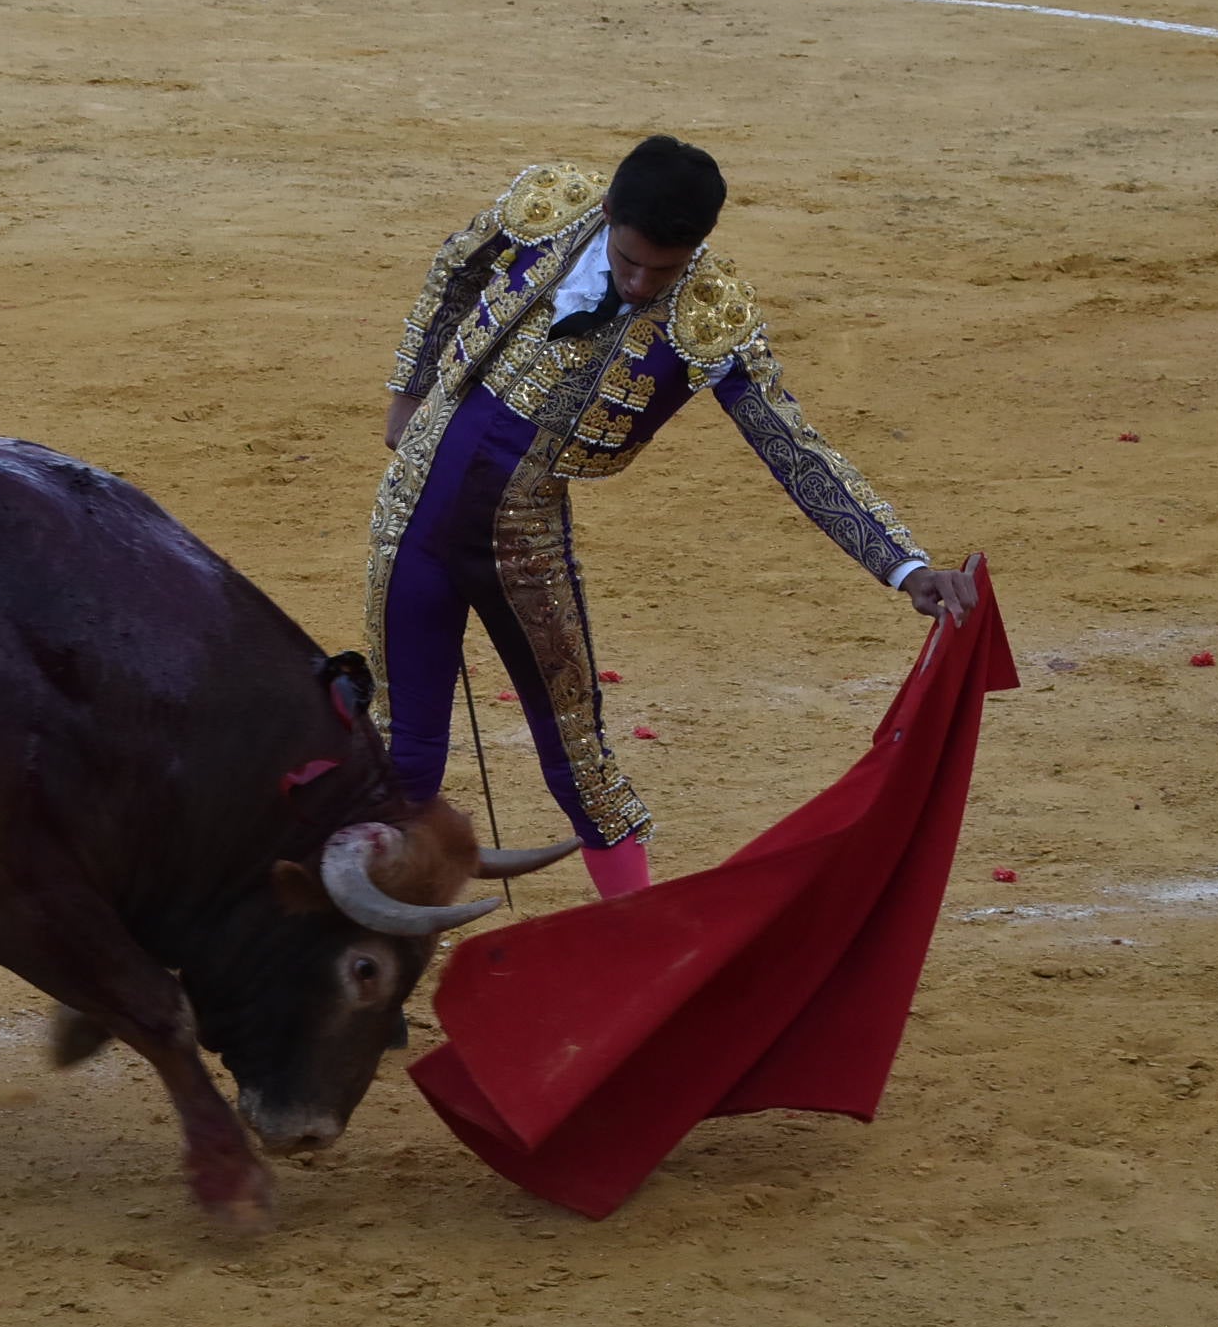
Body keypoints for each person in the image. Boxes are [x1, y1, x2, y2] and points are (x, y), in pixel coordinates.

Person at [365, 137, 978, 900]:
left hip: (518, 545)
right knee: (404, 753)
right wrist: (409, 389)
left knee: (580, 762)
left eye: (664, 271)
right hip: (411, 511)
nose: (639, 282)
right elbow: (456, 266)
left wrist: (904, 564)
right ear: (607, 213)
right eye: (628, 260)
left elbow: (793, 447)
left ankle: (644, 945)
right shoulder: (549, 205)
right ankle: (380, 948)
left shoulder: (711, 317)